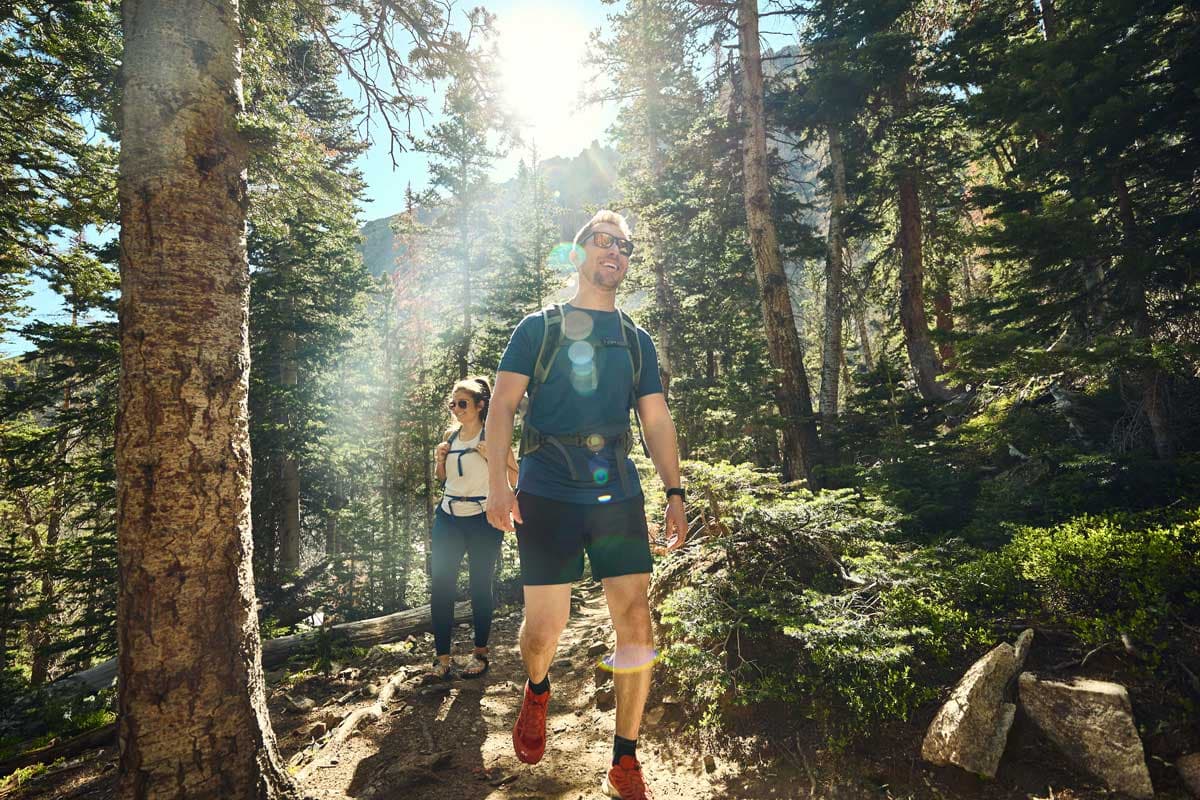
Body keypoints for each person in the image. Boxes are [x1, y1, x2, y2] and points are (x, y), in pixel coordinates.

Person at [485, 210, 688, 800]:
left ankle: (625, 758)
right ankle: (538, 688)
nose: (616, 252)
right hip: (547, 486)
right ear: (579, 254)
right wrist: (499, 482)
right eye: (604, 242)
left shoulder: (635, 339)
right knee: (545, 629)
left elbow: (655, 418)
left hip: (617, 487)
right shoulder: (538, 328)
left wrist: (674, 491)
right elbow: (500, 408)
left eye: (625, 246)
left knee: (635, 618)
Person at [426, 376, 519, 681]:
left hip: (483, 518)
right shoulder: (450, 437)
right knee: (441, 587)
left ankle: (480, 654)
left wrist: (493, 457)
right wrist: (439, 461)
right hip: (449, 517)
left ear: (481, 405)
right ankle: (442, 659)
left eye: (462, 403)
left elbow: (516, 477)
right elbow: (444, 479)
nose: (456, 409)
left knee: (480, 586)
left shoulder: (495, 435)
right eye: (452, 403)